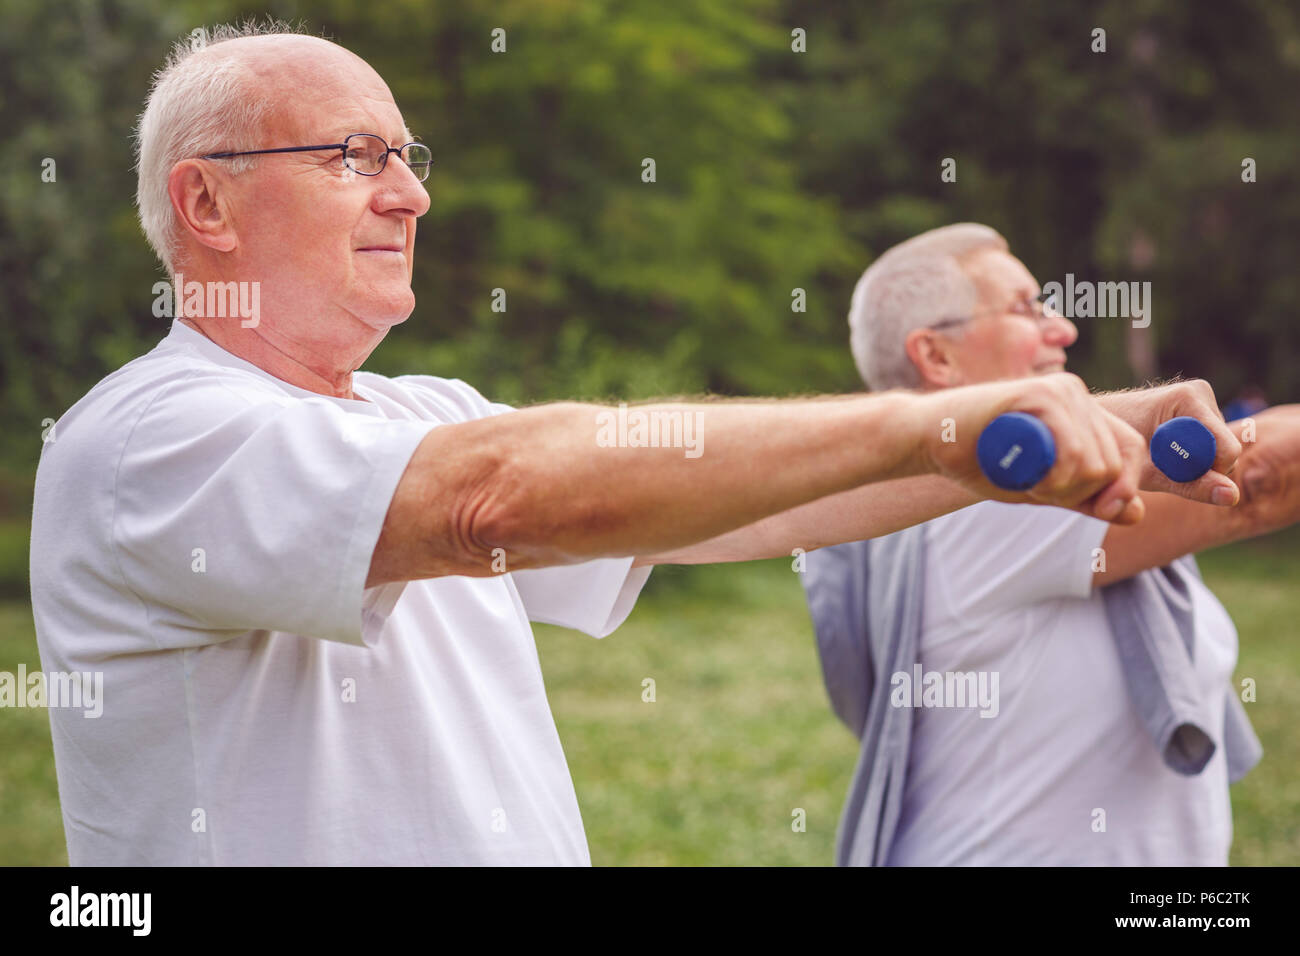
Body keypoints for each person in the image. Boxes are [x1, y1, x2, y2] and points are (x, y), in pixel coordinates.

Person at [29, 25, 1231, 866]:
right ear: (205, 204)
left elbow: (737, 511)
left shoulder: (417, 407)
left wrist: (1031, 431)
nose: (410, 195)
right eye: (352, 156)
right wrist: (938, 418)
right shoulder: (153, 437)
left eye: (407, 157)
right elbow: (497, 495)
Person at [801, 223, 1300, 865]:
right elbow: (1263, 478)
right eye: (1023, 308)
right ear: (937, 357)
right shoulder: (989, 495)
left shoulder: (932, 504)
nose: (1062, 327)